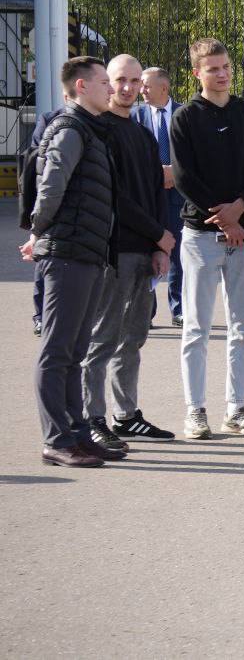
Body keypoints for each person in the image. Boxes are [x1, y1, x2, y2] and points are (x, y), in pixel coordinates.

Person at [170, 38, 244, 440]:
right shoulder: (185, 118)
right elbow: (184, 177)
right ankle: (195, 411)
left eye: (226, 66)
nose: (223, 73)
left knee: (242, 328)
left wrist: (240, 209)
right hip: (200, 237)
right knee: (196, 328)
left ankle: (237, 408)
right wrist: (223, 218)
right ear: (197, 73)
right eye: (213, 68)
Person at [23, 57, 122, 467]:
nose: (111, 89)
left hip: (86, 252)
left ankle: (77, 434)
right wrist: (38, 232)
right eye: (104, 82)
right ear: (81, 86)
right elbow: (51, 187)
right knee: (58, 350)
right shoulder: (70, 130)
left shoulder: (92, 131)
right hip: (65, 253)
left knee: (76, 349)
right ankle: (56, 439)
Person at [81, 54, 176, 451]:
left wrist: (159, 244)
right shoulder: (98, 131)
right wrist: (159, 233)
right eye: (119, 80)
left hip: (144, 252)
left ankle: (126, 415)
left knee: (134, 336)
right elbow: (115, 198)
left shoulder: (141, 134)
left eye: (134, 81)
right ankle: (92, 419)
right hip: (113, 251)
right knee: (103, 338)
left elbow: (155, 190)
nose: (127, 88)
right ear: (106, 82)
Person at [135, 67, 185, 327]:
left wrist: (174, 173)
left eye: (146, 85)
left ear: (163, 88)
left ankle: (179, 309)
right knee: (147, 252)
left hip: (178, 195)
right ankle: (146, 311)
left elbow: (193, 153)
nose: (141, 89)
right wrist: (157, 173)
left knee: (177, 251)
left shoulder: (183, 114)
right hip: (147, 196)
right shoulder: (135, 116)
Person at [26, 91, 70, 337]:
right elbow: (34, 162)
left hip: (84, 209)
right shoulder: (49, 119)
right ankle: (41, 316)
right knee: (44, 262)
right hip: (51, 206)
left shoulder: (102, 120)